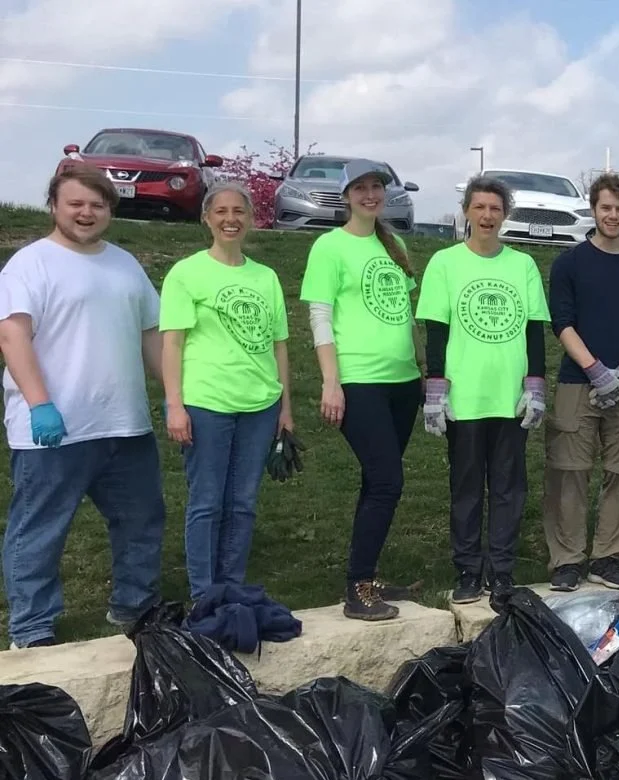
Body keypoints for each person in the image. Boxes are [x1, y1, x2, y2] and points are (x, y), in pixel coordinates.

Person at [0, 164, 165, 648]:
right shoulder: (30, 264)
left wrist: (178, 397)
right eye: (75, 203)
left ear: (109, 210)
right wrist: (39, 404)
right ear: (54, 205)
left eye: (97, 205)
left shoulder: (125, 264)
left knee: (141, 520)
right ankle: (32, 628)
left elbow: (151, 335)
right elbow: (12, 334)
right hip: (53, 429)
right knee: (41, 529)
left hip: (125, 424)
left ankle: (135, 607)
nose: (86, 213)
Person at [417, 176, 550, 606]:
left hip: (509, 397)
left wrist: (535, 385)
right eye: (480, 208)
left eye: (495, 208)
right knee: (467, 487)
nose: (488, 216)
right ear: (467, 212)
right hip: (465, 397)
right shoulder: (445, 263)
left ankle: (503, 570)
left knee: (510, 488)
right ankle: (469, 570)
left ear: (504, 214)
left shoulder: (522, 266)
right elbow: (436, 330)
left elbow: (533, 330)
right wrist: (435, 389)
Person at [300, 159, 423, 621]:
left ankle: (367, 575)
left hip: (402, 382)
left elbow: (404, 314)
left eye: (377, 187)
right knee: (388, 480)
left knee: (379, 482)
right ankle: (357, 588)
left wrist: (423, 370)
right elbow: (319, 316)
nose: (370, 195)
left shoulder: (395, 244)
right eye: (361, 188)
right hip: (359, 382)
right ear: (346, 194)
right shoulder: (329, 247)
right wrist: (331, 382)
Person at [161, 184, 292, 601]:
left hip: (260, 403)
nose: (230, 219)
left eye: (239, 211)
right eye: (221, 211)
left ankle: (231, 587)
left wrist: (285, 408)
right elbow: (173, 344)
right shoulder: (186, 273)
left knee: (243, 503)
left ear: (252, 218)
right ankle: (204, 593)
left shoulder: (265, 277)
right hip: (206, 402)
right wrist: (175, 405)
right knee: (206, 503)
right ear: (207, 218)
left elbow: (279, 345)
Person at [544, 174, 619, 592]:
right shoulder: (569, 264)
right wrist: (595, 370)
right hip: (579, 382)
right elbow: (563, 322)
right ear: (594, 210)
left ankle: (610, 557)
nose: (613, 215)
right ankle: (567, 560)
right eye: (606, 207)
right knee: (568, 471)